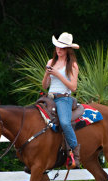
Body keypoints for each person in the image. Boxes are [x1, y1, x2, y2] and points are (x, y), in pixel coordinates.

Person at [42, 32, 80, 168]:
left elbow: (73, 87)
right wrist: (47, 73)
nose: (59, 50)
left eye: (62, 48)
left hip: (64, 98)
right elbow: (44, 86)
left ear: (68, 49)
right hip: (49, 97)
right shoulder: (50, 62)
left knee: (64, 122)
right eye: (57, 47)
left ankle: (75, 154)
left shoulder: (73, 65)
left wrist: (58, 74)